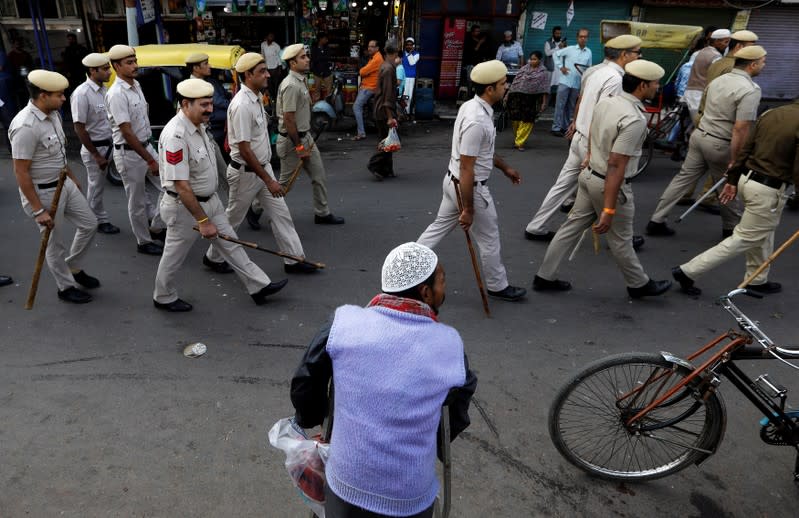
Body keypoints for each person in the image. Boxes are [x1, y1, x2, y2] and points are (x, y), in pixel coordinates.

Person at [290, 241, 477, 518]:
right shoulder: (449, 346)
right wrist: (435, 444)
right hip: (410, 497)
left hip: (346, 483)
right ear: (426, 293)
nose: (445, 288)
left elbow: (305, 382)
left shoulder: (343, 324)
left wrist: (311, 418)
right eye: (442, 281)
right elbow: (454, 411)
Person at [532, 60, 672, 299]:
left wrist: (590, 158)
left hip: (588, 176)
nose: (657, 87)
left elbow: (592, 135)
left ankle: (544, 276)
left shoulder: (607, 103)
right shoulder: (635, 118)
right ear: (642, 85)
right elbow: (617, 164)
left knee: (570, 227)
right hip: (608, 183)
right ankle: (638, 284)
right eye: (655, 83)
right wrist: (608, 208)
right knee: (620, 239)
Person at [153, 79, 288, 312]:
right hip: (185, 207)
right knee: (173, 256)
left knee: (231, 244)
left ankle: (258, 285)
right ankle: (163, 296)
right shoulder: (176, 135)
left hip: (210, 201)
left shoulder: (199, 126)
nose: (210, 109)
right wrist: (203, 221)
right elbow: (181, 185)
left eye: (210, 104)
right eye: (204, 105)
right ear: (186, 104)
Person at [417, 60, 527, 302]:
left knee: (437, 228)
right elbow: (469, 167)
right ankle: (498, 286)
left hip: (453, 181)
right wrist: (468, 209)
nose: (506, 86)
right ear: (490, 89)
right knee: (489, 239)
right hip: (467, 187)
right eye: (502, 83)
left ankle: (408, 262)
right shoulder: (477, 120)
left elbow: (481, 155)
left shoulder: (472, 107)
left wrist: (505, 167)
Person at [671, 97, 798, 297]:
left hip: (748, 180)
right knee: (745, 237)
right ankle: (688, 271)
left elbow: (747, 147)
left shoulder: (772, 113)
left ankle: (757, 278)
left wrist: (732, 178)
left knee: (763, 232)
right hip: (767, 187)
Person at [204, 52, 316, 276]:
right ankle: (213, 257)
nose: (267, 74)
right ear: (248, 75)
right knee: (232, 218)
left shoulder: (256, 98)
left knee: (281, 213)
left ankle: (294, 259)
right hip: (246, 173)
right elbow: (245, 149)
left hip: (261, 168)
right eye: (262, 71)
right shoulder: (241, 105)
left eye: (266, 70)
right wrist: (269, 180)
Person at [525, 35, 642, 242]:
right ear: (624, 55)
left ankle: (536, 226)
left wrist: (576, 124)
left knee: (563, 187)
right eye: (637, 53)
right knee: (616, 188)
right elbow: (604, 117)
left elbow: (582, 102)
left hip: (581, 137)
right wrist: (591, 150)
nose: (639, 57)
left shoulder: (597, 71)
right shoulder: (616, 79)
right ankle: (623, 236)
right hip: (592, 143)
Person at [646, 45, 765, 239]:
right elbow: (741, 128)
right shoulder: (750, 89)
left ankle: (656, 220)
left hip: (700, 135)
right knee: (727, 184)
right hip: (720, 142)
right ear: (752, 64)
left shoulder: (718, 81)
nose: (764, 65)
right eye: (762, 62)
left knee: (682, 179)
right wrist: (736, 160)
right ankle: (731, 229)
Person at [9, 70, 99, 304]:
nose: (63, 99)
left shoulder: (53, 114)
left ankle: (74, 267)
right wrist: (38, 210)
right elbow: (20, 171)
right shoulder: (25, 126)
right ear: (42, 95)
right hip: (42, 192)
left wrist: (71, 176)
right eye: (58, 95)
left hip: (63, 183)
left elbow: (58, 153)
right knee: (53, 243)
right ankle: (65, 287)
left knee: (90, 224)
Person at [105, 44, 165, 256]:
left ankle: (157, 226)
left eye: (135, 61)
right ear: (116, 66)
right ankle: (143, 240)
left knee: (170, 187)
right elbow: (127, 132)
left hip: (146, 145)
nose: (135, 66)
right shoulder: (116, 94)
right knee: (137, 201)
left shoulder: (136, 85)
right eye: (129, 63)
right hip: (130, 153)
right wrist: (150, 160)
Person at [276, 44, 345, 225]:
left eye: (307, 56)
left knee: (319, 176)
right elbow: (289, 119)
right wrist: (299, 147)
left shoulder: (301, 80)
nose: (307, 59)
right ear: (292, 63)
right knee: (285, 184)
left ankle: (322, 213)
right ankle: (257, 208)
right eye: (303, 57)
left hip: (305, 136)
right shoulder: (290, 85)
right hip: (293, 141)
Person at [71, 53, 119, 235]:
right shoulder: (81, 94)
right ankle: (96, 220)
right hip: (96, 148)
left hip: (112, 144)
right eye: (106, 69)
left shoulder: (104, 90)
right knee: (96, 187)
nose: (109, 72)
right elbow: (79, 128)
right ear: (93, 71)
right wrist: (96, 155)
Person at [185, 52, 230, 197]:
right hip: (194, 138)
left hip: (207, 135)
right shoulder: (188, 88)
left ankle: (245, 207)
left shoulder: (207, 83)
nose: (209, 66)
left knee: (224, 172)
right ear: (196, 68)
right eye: (205, 64)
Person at [698, 30, 759, 117]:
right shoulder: (734, 67)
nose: (753, 51)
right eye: (751, 47)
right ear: (738, 46)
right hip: (716, 119)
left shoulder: (719, 62)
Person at [506, 50, 550, 151]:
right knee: (515, 119)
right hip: (516, 98)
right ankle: (518, 138)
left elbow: (544, 88)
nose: (532, 61)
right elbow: (515, 83)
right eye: (531, 59)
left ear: (539, 60)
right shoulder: (523, 69)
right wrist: (508, 95)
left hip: (531, 99)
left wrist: (544, 102)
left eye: (534, 59)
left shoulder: (543, 73)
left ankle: (520, 143)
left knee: (527, 120)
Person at [551, 28, 592, 136]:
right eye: (581, 36)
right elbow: (556, 54)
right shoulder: (570, 49)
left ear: (587, 38)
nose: (583, 39)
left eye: (585, 37)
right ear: (577, 38)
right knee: (560, 105)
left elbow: (588, 68)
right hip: (565, 81)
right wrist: (561, 67)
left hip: (577, 84)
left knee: (571, 106)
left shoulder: (589, 52)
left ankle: (565, 127)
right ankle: (556, 128)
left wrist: (585, 84)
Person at [683, 28, 730, 121]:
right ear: (716, 41)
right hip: (699, 95)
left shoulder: (702, 51)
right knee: (700, 125)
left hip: (691, 93)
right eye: (725, 42)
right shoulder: (716, 56)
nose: (726, 45)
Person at [368, 44, 399, 181]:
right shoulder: (388, 69)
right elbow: (387, 95)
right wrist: (390, 117)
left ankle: (387, 169)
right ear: (396, 53)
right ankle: (374, 164)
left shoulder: (386, 66)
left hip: (381, 108)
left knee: (389, 138)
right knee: (387, 140)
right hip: (383, 110)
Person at [352, 40, 383, 141]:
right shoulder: (374, 57)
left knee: (356, 106)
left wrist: (364, 71)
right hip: (368, 86)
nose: (370, 48)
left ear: (377, 48)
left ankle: (361, 133)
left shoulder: (376, 59)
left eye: (372, 47)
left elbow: (362, 71)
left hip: (369, 87)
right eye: (369, 46)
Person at [544, 26, 565, 107]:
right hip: (551, 68)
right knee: (548, 86)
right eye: (556, 33)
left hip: (559, 68)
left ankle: (557, 103)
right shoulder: (547, 42)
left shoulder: (563, 42)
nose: (558, 35)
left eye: (559, 33)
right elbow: (547, 53)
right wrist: (557, 47)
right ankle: (545, 104)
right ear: (553, 33)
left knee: (560, 86)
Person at [310, 32, 334, 100]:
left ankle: (328, 104)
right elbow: (314, 59)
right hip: (317, 72)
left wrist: (321, 57)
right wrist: (322, 57)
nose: (327, 40)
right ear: (320, 39)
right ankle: (316, 107)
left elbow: (328, 57)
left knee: (329, 90)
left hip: (327, 72)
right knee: (317, 90)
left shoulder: (327, 48)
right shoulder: (314, 48)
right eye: (325, 39)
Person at [261, 33, 282, 101]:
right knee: (269, 83)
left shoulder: (276, 46)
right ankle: (271, 97)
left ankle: (276, 97)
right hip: (267, 67)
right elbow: (262, 55)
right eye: (270, 36)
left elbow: (279, 57)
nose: (271, 38)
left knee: (276, 83)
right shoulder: (263, 45)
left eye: (272, 37)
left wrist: (279, 68)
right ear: (266, 37)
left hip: (275, 67)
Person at [401, 37, 419, 111]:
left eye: (411, 45)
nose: (409, 46)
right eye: (407, 45)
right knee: (403, 95)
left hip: (411, 77)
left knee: (409, 96)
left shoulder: (416, 54)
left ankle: (407, 111)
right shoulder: (402, 54)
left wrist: (410, 53)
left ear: (413, 46)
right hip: (402, 77)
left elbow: (412, 63)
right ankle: (402, 111)